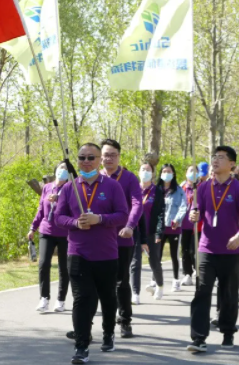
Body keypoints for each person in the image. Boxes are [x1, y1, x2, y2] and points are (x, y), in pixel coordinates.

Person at [54, 143, 129, 364]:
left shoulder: (112, 186)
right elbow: (58, 219)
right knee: (82, 299)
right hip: (78, 254)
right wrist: (76, 223)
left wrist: (100, 219)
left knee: (107, 298)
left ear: (99, 160)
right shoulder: (69, 188)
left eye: (91, 157)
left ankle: (108, 332)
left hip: (106, 254)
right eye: (82, 157)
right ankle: (81, 346)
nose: (86, 161)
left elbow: (123, 215)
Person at [187, 146, 239, 353]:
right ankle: (199, 338)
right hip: (206, 249)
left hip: (230, 250)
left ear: (232, 164)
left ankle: (227, 331)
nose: (215, 161)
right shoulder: (204, 187)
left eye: (221, 158)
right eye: (214, 157)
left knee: (228, 294)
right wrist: (193, 215)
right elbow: (195, 210)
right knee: (201, 292)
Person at [99, 139, 142, 339]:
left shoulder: (129, 178)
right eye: (105, 155)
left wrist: (130, 226)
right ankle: (93, 323)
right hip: (99, 238)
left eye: (112, 155)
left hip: (122, 237)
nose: (108, 159)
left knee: (121, 281)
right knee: (99, 282)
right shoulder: (94, 178)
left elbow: (136, 204)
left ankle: (124, 320)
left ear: (119, 156)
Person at [28, 162, 70, 313]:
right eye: (61, 168)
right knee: (43, 264)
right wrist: (33, 227)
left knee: (64, 268)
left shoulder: (71, 188)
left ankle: (61, 300)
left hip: (65, 233)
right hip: (46, 231)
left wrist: (58, 199)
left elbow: (73, 209)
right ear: (56, 170)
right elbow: (41, 209)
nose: (62, 171)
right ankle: (44, 298)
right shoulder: (47, 187)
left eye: (66, 169)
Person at [148, 164, 187, 295]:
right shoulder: (156, 189)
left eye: (169, 171)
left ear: (174, 174)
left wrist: (177, 219)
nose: (166, 174)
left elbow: (183, 206)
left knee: (174, 255)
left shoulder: (179, 190)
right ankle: (154, 280)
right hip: (159, 228)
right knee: (156, 255)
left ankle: (176, 280)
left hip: (173, 227)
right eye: (164, 171)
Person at [134, 161, 165, 304]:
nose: (145, 172)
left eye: (148, 170)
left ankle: (159, 285)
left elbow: (160, 214)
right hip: (135, 232)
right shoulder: (133, 189)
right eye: (142, 169)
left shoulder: (157, 191)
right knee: (135, 263)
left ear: (152, 173)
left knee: (154, 262)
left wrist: (159, 232)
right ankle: (135, 293)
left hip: (151, 233)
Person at [180, 165, 200, 286]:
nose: (193, 173)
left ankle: (198, 271)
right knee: (185, 251)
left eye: (195, 171)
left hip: (197, 226)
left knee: (194, 251)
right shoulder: (181, 188)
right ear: (186, 172)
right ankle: (187, 273)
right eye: (190, 170)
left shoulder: (201, 187)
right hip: (183, 225)